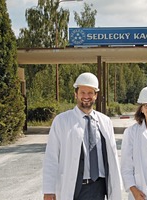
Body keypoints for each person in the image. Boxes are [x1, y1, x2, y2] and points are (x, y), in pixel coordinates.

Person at [43, 72, 122, 200]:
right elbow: (51, 158)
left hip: (99, 187)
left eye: (90, 93)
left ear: (96, 96)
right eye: (83, 92)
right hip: (74, 187)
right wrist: (49, 190)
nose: (86, 96)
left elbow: (112, 157)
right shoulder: (62, 121)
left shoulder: (105, 121)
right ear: (76, 94)